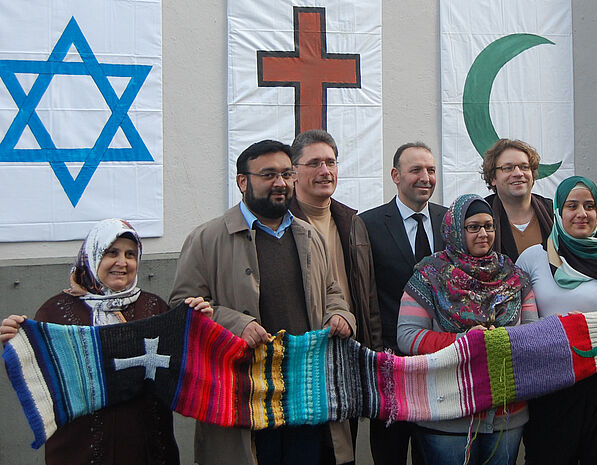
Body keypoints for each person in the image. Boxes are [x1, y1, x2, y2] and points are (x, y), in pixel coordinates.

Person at [169, 140, 356, 465]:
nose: (280, 183)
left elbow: (332, 293)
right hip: (242, 397)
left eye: (286, 173)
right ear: (243, 181)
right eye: (268, 174)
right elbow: (181, 309)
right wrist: (237, 324)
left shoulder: (309, 235)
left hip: (303, 396)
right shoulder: (206, 239)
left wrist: (340, 316)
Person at [0, 218, 212, 465]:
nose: (122, 263)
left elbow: (182, 371)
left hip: (148, 448)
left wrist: (199, 328)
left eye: (130, 254)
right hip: (78, 450)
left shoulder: (154, 307)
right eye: (112, 252)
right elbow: (43, 378)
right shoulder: (56, 311)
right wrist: (18, 345)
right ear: (92, 255)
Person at [516, 176, 597, 465]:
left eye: (590, 206)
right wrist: (560, 333)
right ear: (557, 212)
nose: (581, 214)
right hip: (551, 385)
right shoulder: (533, 258)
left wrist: (585, 330)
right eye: (572, 205)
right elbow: (519, 322)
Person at [397, 193, 537, 465]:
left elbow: (532, 334)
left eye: (489, 226)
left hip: (506, 413)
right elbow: (408, 337)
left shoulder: (514, 276)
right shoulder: (429, 275)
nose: (483, 233)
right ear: (454, 230)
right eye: (473, 227)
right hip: (447, 411)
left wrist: (500, 339)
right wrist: (465, 342)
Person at [289, 128, 381, 464]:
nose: (325, 171)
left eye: (331, 162)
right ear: (293, 171)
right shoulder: (280, 222)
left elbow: (366, 296)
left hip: (346, 356)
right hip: (301, 362)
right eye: (314, 163)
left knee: (344, 451)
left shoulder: (351, 220)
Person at [360, 141, 447, 465]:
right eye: (416, 170)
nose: (425, 177)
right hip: (390, 365)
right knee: (390, 453)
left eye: (431, 170)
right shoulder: (367, 224)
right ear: (396, 175)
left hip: (440, 364)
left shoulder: (450, 220)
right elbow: (365, 291)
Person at [481, 138, 554, 261]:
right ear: (493, 177)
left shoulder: (552, 212)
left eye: (524, 167)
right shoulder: (481, 215)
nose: (518, 173)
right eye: (508, 168)